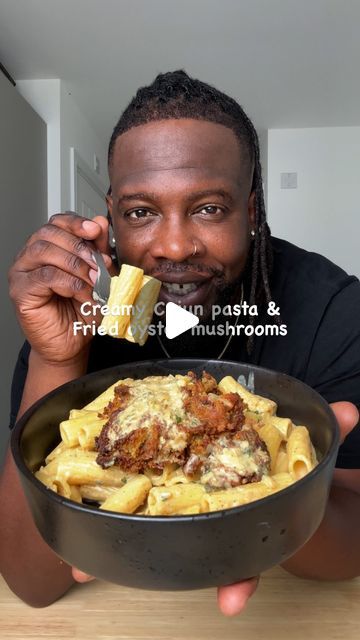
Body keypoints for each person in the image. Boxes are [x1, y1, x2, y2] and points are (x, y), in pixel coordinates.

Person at [1, 70, 360, 615]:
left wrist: (274, 507)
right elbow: (32, 583)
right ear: (113, 215)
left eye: (209, 208)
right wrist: (58, 357)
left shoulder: (332, 309)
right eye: (142, 212)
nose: (172, 246)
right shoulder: (83, 311)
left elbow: (349, 555)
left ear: (252, 211)